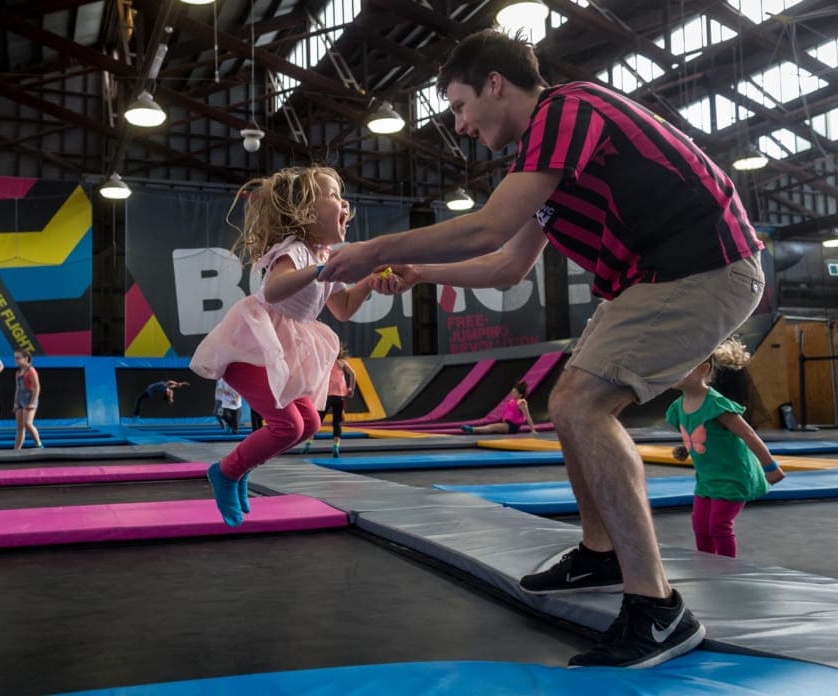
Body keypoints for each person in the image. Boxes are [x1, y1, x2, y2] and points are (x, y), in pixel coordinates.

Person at [320, 28, 765, 668]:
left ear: (495, 84)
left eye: (459, 106)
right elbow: (507, 264)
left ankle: (657, 608)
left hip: (705, 265)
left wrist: (378, 249)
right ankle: (599, 552)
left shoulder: (568, 110)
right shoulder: (543, 155)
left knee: (583, 403)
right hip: (657, 276)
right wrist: (422, 273)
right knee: (569, 403)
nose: (460, 126)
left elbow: (489, 225)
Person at [190, 165, 388, 527]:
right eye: (332, 194)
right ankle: (226, 472)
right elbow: (272, 290)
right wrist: (318, 272)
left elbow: (341, 309)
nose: (343, 202)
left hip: (286, 346)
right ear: (306, 211)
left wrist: (369, 284)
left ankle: (242, 465)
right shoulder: (295, 250)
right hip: (251, 347)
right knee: (288, 427)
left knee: (310, 423)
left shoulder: (326, 256)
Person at [667, 338, 784, 558]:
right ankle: (707, 568)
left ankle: (727, 571)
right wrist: (685, 449)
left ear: (703, 369)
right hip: (707, 479)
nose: (674, 372)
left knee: (718, 526)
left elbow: (748, 434)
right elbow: (700, 432)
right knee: (700, 527)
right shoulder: (677, 408)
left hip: (734, 476)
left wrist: (771, 467)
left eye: (682, 368)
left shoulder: (716, 404)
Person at [301, 346, 356, 457]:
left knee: (317, 420)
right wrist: (351, 388)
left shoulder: (325, 362)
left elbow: (314, 376)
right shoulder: (341, 362)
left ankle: (308, 443)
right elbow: (352, 374)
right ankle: (336, 446)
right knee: (337, 422)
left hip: (326, 396)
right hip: (339, 396)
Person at [460, 380, 536, 434]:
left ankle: (472, 429)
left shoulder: (521, 403)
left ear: (520, 395)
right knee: (493, 427)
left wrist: (533, 430)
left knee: (493, 427)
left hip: (512, 427)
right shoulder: (513, 401)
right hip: (508, 424)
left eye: (514, 392)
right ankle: (473, 430)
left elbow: (528, 416)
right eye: (512, 391)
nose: (512, 393)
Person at [12, 349, 42, 450]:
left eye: (18, 358)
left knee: (28, 424)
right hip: (20, 399)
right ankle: (17, 449)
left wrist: (32, 402)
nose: (15, 360)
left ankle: (38, 444)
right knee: (20, 428)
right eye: (15, 358)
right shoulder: (18, 373)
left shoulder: (31, 371)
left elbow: (36, 387)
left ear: (26, 359)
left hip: (29, 399)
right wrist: (15, 403)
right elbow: (17, 389)